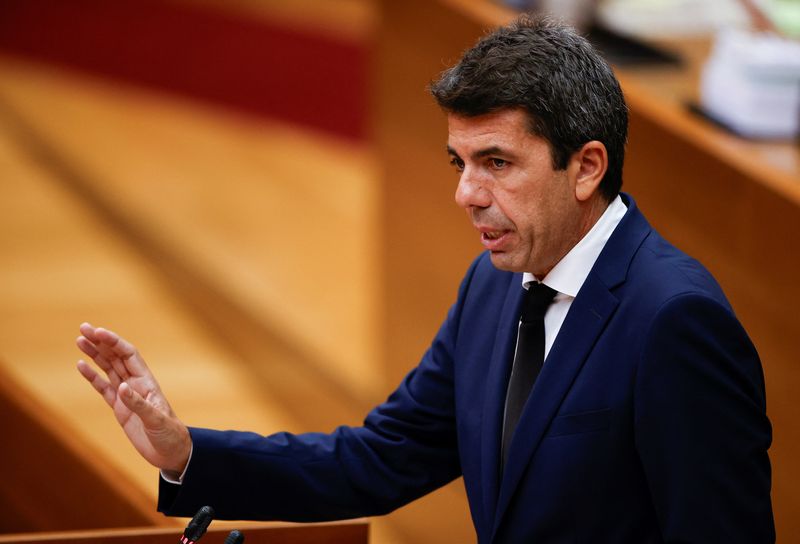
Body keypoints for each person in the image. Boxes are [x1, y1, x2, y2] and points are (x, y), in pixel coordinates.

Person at [76, 15, 775, 543]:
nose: (466, 193)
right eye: (458, 162)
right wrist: (188, 454)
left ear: (586, 167)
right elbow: (382, 459)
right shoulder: (495, 286)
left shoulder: (674, 322)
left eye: (496, 162)